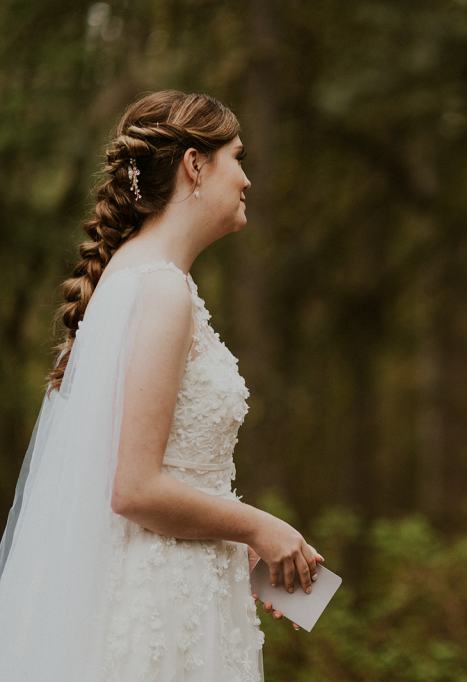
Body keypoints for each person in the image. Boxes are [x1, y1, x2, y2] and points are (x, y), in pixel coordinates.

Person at [0, 91, 322, 681]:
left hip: (179, 577)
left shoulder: (133, 277)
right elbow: (134, 489)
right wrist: (259, 525)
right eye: (238, 158)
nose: (248, 179)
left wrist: (231, 538)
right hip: (161, 604)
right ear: (195, 166)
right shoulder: (161, 290)